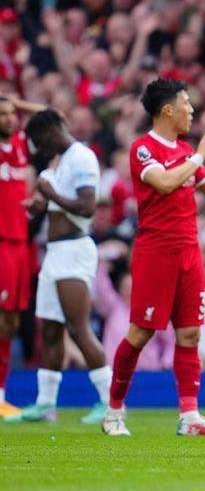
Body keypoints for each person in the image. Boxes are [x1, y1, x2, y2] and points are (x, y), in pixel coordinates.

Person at [101, 78, 205, 437]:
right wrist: (201, 157)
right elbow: (164, 183)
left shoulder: (187, 151)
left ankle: (190, 416)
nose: (192, 110)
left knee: (189, 335)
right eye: (186, 104)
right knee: (140, 334)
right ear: (168, 110)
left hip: (190, 251)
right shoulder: (143, 148)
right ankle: (113, 411)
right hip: (156, 252)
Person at [5, 109, 112, 424]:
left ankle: (110, 402)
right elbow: (67, 204)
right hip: (55, 252)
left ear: (53, 130)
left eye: (39, 140)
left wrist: (50, 193)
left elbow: (88, 206)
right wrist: (44, 204)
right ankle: (46, 404)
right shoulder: (63, 162)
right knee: (50, 330)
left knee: (78, 328)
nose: (39, 149)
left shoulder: (81, 157)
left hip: (74, 250)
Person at [0, 96, 44, 417]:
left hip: (20, 245)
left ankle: (0, 397)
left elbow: (51, 117)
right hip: (0, 242)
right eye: (2, 114)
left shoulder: (19, 144)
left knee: (11, 322)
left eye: (11, 114)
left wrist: (17, 102)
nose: (10, 118)